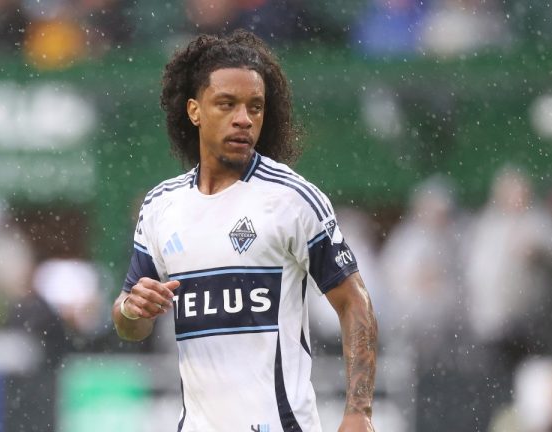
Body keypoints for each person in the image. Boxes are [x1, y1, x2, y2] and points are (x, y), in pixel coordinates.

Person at [112, 30, 378, 432]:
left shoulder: (292, 199)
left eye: (255, 107)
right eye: (227, 104)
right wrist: (132, 308)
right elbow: (129, 325)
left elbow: (354, 303)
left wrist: (359, 411)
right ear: (194, 111)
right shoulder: (160, 207)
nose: (244, 118)